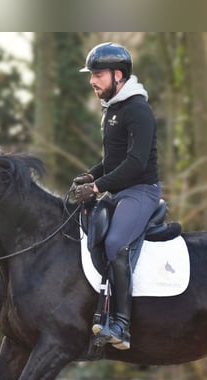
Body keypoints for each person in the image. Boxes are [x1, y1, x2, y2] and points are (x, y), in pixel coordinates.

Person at [73, 41, 161, 351]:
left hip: (142, 191)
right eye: (91, 75)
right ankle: (100, 310)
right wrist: (91, 175)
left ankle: (122, 325)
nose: (92, 81)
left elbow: (135, 164)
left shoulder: (137, 110)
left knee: (114, 243)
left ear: (118, 75)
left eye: (98, 75)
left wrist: (97, 187)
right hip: (121, 190)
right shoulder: (114, 109)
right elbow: (114, 162)